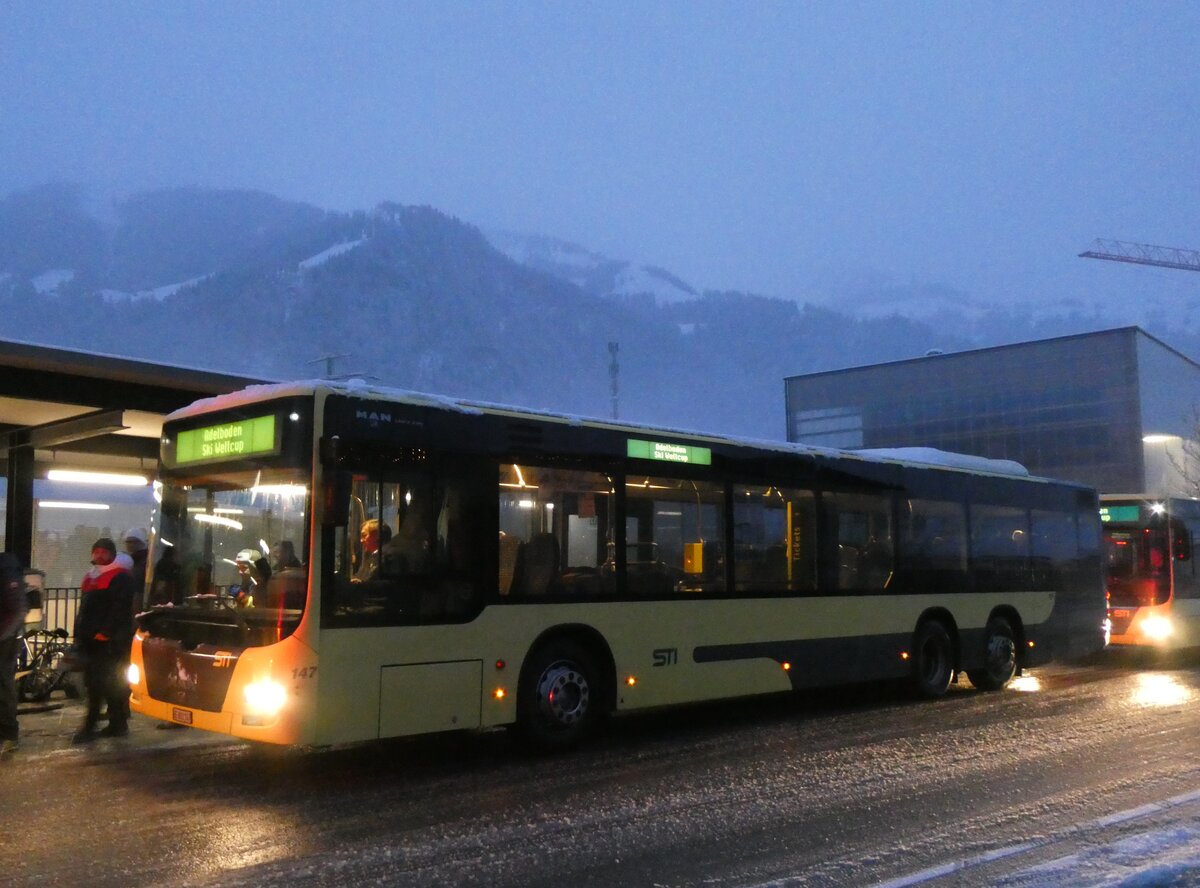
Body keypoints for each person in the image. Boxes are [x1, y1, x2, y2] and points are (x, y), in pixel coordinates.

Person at [72, 538, 136, 743]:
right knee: (104, 684)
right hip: (95, 640)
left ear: (112, 554)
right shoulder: (93, 577)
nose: (99, 556)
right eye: (96, 551)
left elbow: (119, 609)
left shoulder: (119, 578)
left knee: (99, 684)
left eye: (103, 552)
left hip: (107, 643)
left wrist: (106, 633)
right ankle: (116, 723)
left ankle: (92, 726)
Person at [0, 552, 28, 759]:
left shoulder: (6, 570)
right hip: (5, 636)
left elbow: (17, 610)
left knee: (3, 684)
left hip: (6, 640)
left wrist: (2, 635)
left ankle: (9, 734)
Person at [122, 527, 149, 613]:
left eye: (133, 542)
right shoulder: (130, 559)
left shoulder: (144, 560)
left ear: (141, 542)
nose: (130, 545)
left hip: (139, 597)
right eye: (128, 542)